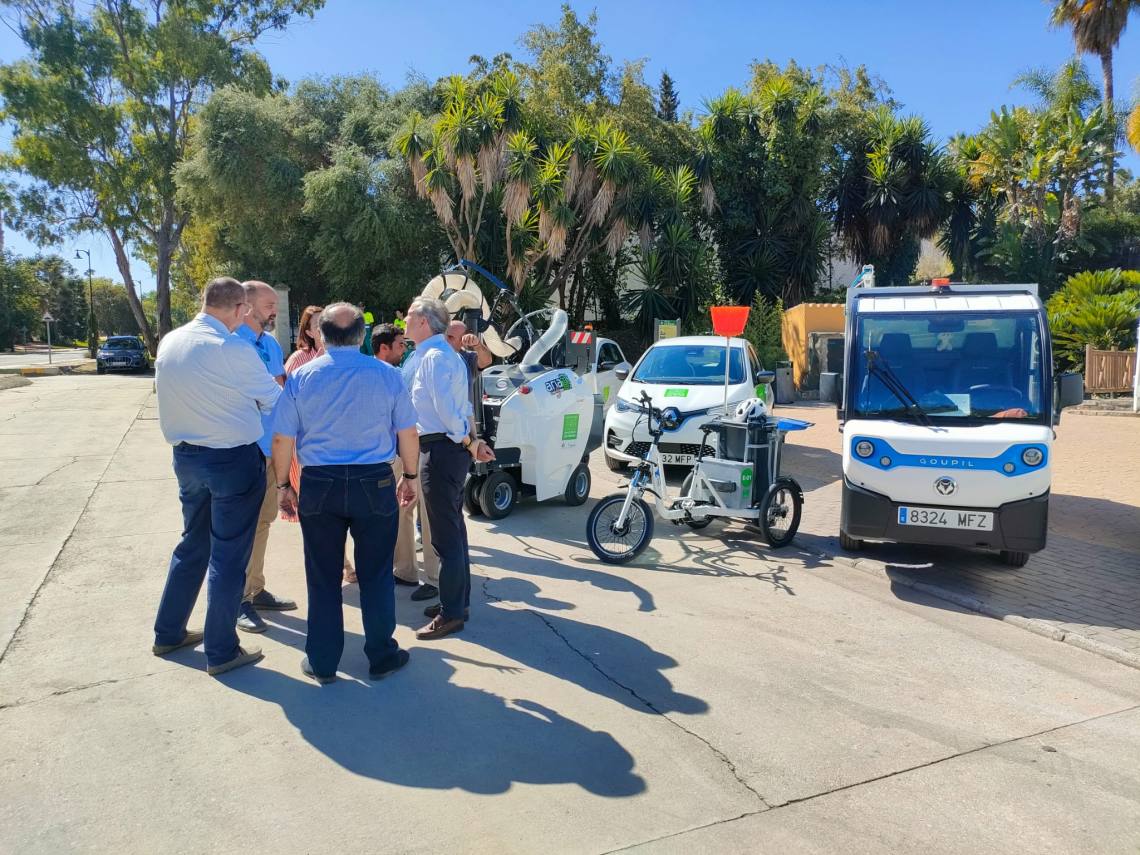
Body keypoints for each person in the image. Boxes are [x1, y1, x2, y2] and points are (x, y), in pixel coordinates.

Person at [273, 303, 418, 683]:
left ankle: (322, 661)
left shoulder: (301, 377)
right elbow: (407, 431)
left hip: (320, 483)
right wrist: (411, 476)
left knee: (322, 576)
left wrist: (283, 485)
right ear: (362, 335)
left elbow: (282, 437)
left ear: (321, 335)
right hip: (375, 481)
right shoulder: (388, 375)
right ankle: (382, 656)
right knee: (376, 574)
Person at [151, 277, 281, 676]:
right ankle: (222, 650)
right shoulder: (233, 347)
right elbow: (272, 398)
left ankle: (168, 631)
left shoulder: (171, 341)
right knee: (229, 555)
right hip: (231, 460)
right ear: (240, 308)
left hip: (186, 457)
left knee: (193, 544)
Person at [404, 297, 494, 641]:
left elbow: (447, 412)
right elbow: (461, 407)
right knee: (453, 530)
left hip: (441, 449)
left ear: (424, 322)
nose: (404, 321)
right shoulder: (444, 355)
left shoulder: (435, 357)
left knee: (445, 537)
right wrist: (471, 442)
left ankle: (452, 612)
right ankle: (458, 602)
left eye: (409, 316)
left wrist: (469, 442)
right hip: (447, 448)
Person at [234, 280, 297, 634]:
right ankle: (237, 600)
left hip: (272, 447)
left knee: (263, 522)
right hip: (245, 448)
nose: (275, 310)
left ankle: (255, 590)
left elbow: (279, 390)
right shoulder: (232, 344)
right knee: (242, 527)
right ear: (246, 305)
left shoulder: (270, 344)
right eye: (269, 304)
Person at [281, 306, 359, 584]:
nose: (322, 329)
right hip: (308, 450)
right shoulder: (298, 361)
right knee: (318, 515)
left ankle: (341, 561)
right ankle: (340, 564)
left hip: (341, 450)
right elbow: (287, 406)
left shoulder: (343, 360)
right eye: (316, 325)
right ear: (308, 331)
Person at [373, 323, 440, 597]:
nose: (404, 348)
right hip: (399, 452)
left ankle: (432, 577)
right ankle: (407, 571)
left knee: (424, 513)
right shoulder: (392, 370)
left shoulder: (417, 361)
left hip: (413, 449)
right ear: (384, 348)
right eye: (399, 344)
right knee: (403, 512)